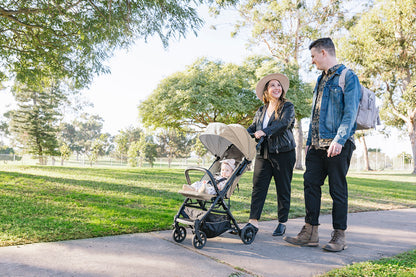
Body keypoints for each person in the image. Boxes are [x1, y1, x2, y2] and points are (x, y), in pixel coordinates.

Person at [283, 37, 361, 252]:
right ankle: (310, 232)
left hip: (338, 144)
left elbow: (350, 112)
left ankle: (339, 236)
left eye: (313, 56)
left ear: (324, 53)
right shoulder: (320, 80)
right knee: (310, 184)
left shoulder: (348, 76)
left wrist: (340, 139)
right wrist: (308, 142)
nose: (313, 61)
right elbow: (315, 114)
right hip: (317, 146)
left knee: (337, 189)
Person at [244, 73, 296, 237]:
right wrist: (241, 134)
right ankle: (253, 222)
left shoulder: (287, 107)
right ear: (266, 91)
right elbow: (253, 128)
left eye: (278, 85)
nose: (276, 88)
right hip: (263, 154)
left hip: (283, 153)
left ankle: (282, 222)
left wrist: (264, 132)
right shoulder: (261, 110)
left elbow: (283, 124)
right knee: (258, 187)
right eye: (272, 85)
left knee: (283, 188)